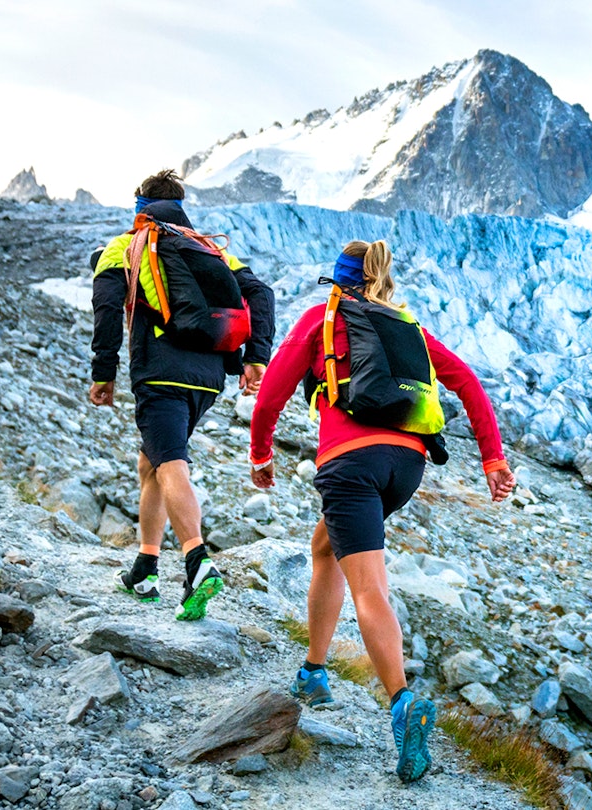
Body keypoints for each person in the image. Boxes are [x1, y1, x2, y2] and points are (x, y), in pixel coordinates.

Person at [248, 239, 514, 783]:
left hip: (350, 466)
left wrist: (260, 453)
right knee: (328, 547)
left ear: (337, 281)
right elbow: (466, 379)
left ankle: (401, 701)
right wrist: (492, 458)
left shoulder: (323, 320)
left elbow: (272, 390)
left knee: (368, 588)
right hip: (406, 467)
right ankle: (315, 671)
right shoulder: (404, 325)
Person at [87, 169, 275, 621]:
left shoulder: (127, 243)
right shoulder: (209, 248)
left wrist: (103, 371)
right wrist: (256, 357)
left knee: (170, 461)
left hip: (160, 369)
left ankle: (196, 560)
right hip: (209, 375)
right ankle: (146, 567)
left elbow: (108, 305)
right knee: (150, 460)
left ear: (139, 206)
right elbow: (261, 293)